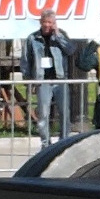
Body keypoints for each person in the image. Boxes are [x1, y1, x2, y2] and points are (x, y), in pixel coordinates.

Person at [20, 9, 89, 139]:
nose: (47, 25)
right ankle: (45, 142)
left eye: (50, 22)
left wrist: (58, 35)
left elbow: (71, 50)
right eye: (45, 22)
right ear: (41, 22)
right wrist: (28, 80)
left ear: (54, 23)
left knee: (64, 113)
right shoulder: (33, 38)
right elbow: (25, 61)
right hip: (42, 80)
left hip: (60, 79)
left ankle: (64, 141)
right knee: (43, 114)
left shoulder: (60, 35)